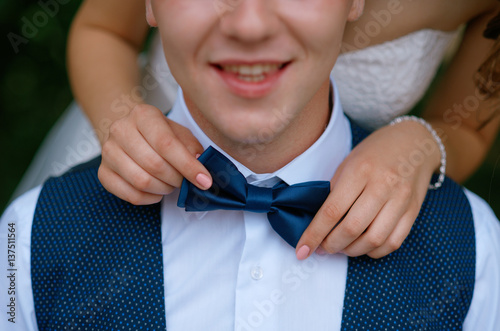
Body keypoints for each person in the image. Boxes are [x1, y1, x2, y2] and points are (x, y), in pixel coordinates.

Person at [2, 0, 500, 329]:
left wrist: (420, 144)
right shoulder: (31, 237)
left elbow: (470, 124)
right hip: (145, 153)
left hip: (374, 184)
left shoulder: (474, 256)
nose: (250, 27)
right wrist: (123, 125)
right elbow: (103, 28)